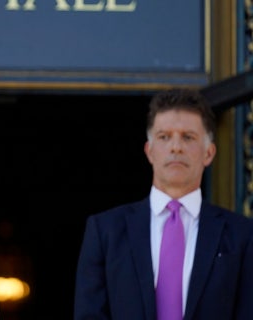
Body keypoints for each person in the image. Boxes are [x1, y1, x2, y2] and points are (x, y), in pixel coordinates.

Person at [73, 88, 253, 320]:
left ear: (208, 153)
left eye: (188, 137)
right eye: (164, 137)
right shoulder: (105, 231)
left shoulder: (243, 235)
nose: (175, 147)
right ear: (149, 151)